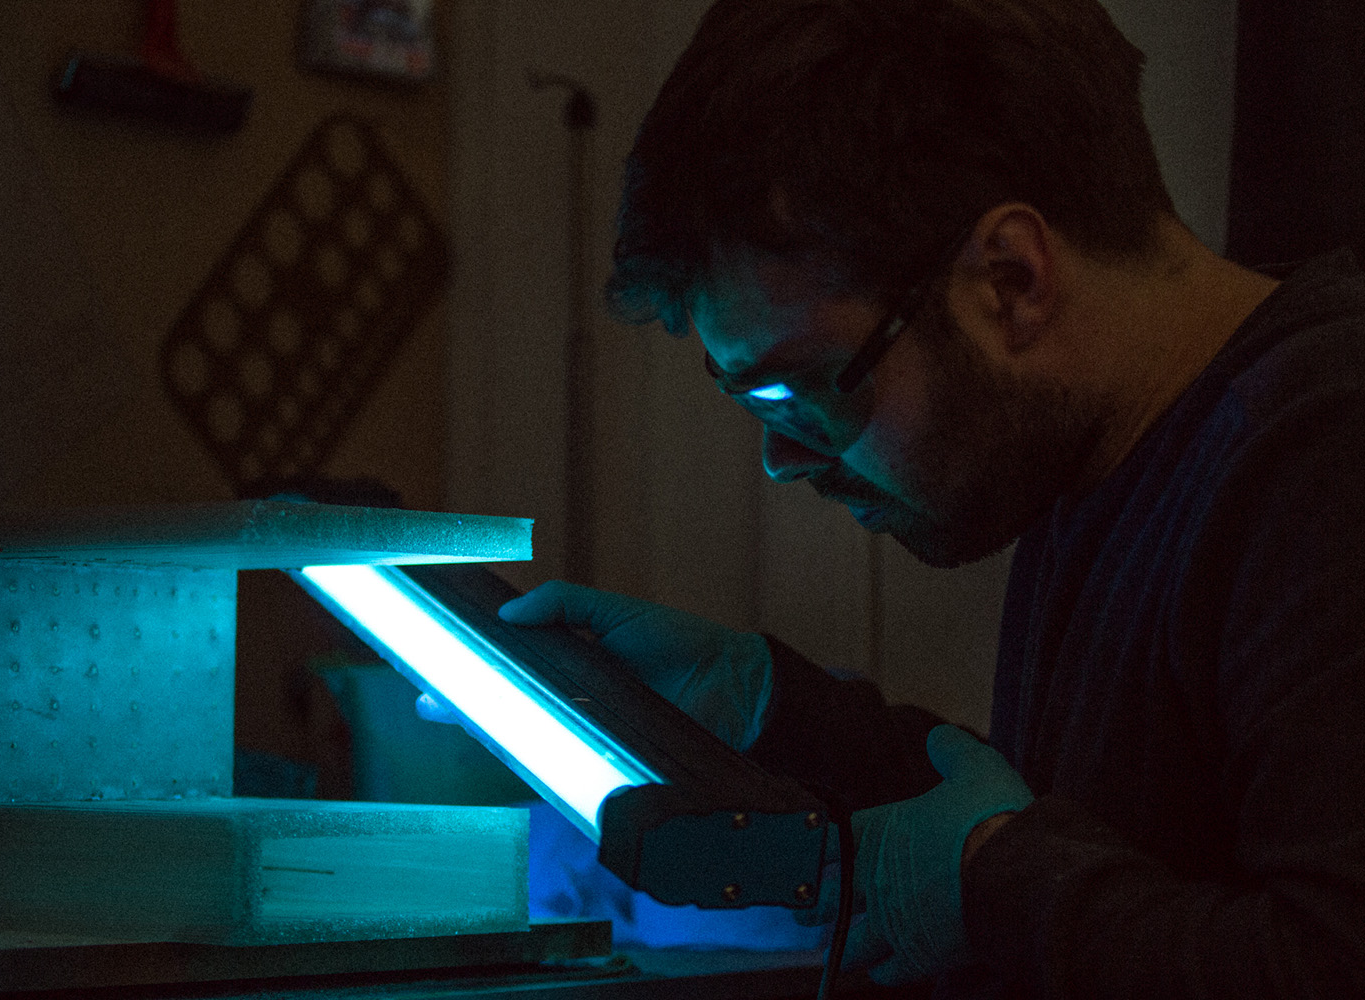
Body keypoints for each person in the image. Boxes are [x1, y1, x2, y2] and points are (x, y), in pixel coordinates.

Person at [492, 0, 1365, 996]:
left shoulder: (1326, 450)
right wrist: (761, 704)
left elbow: (1326, 961)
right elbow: (1078, 827)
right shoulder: (1099, 452)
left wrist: (995, 873)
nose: (781, 457)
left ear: (1009, 280)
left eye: (803, 387)